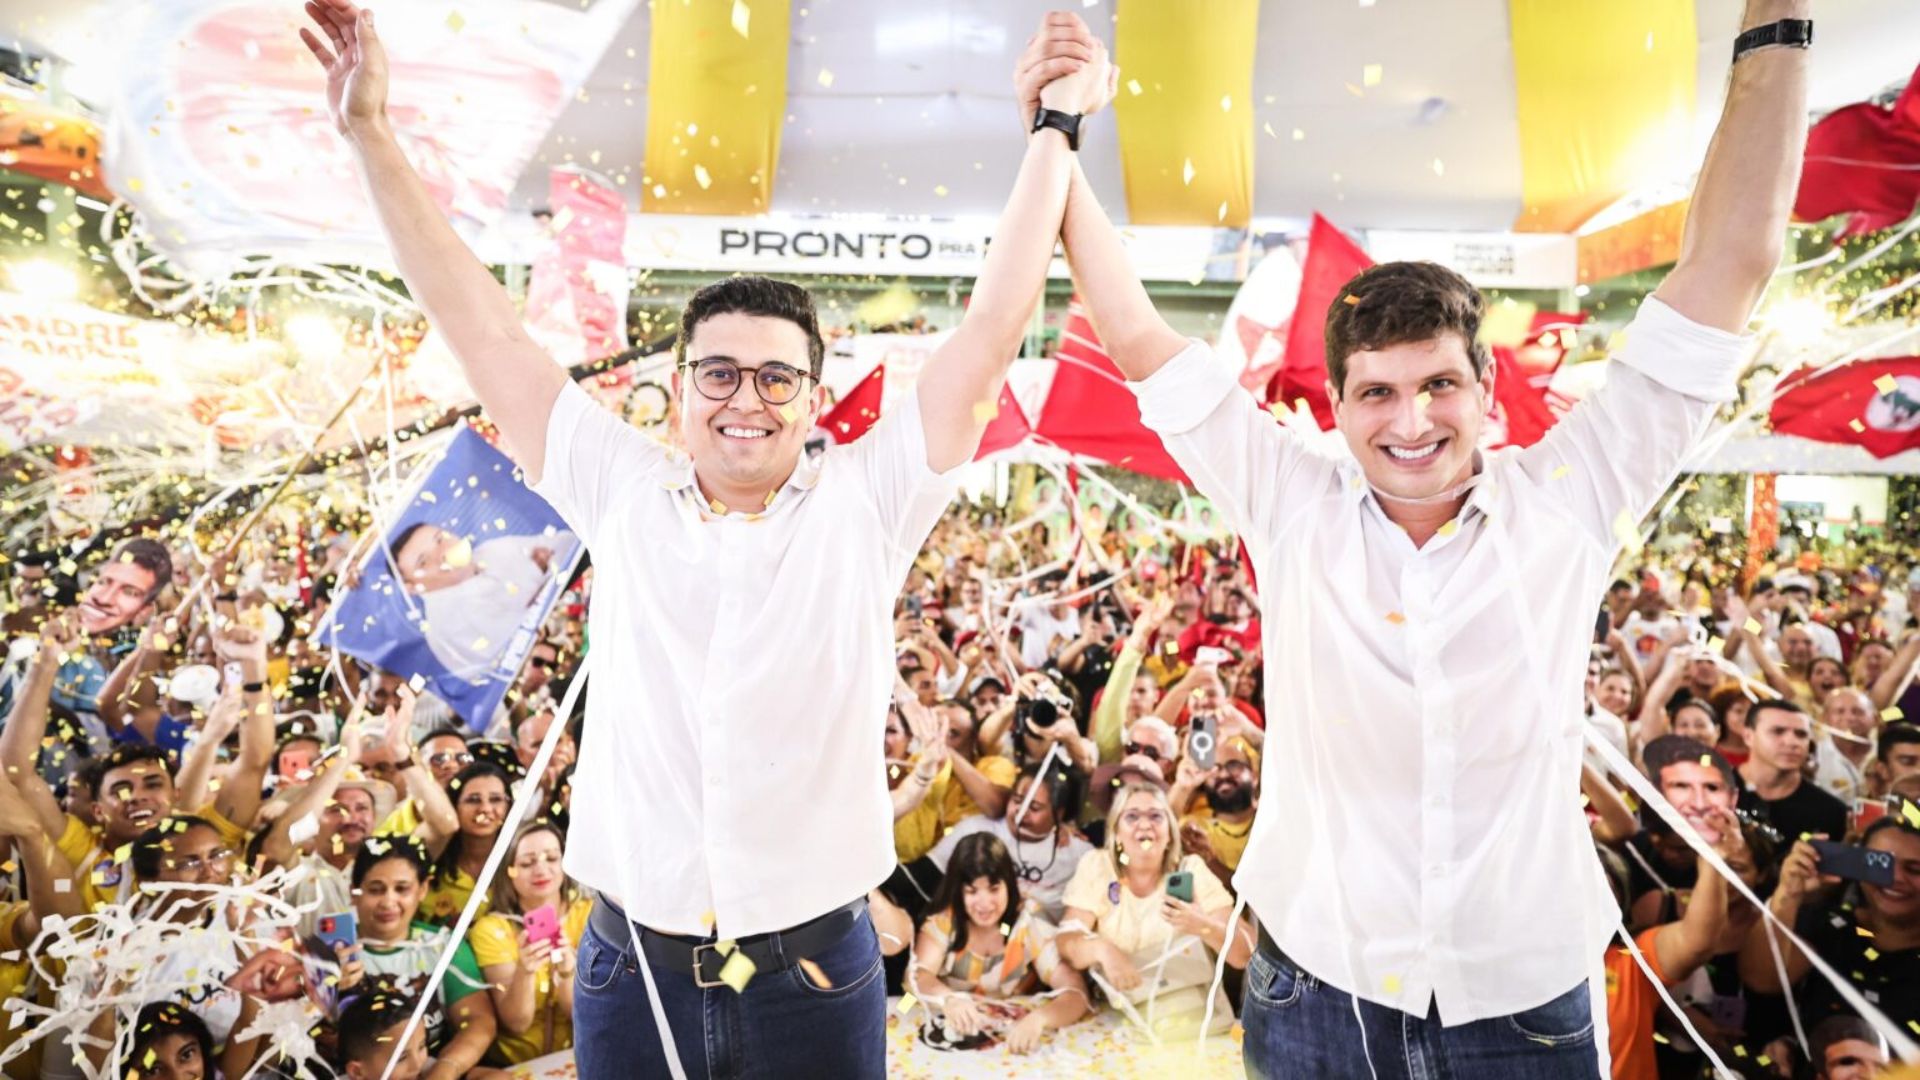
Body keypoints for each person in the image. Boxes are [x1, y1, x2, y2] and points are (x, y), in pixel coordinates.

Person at [300, 3, 1112, 1073]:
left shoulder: (867, 503)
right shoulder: (620, 488)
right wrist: (370, 134)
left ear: (815, 398)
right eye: (719, 373)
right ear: (677, 393)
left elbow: (994, 324)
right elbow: (481, 325)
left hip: (814, 968)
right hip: (630, 961)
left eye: (777, 376)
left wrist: (1056, 132)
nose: (747, 399)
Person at [1023, 1, 1810, 1072]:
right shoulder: (1288, 501)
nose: (1410, 421)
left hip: (1523, 1001)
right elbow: (1132, 326)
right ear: (1336, 409)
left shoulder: (1571, 494)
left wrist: (1778, 26)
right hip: (1318, 994)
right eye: (1377, 393)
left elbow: (1731, 262)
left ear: (1487, 391)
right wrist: (1058, 128)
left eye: (1440, 383)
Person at [1056, 782, 1251, 1039]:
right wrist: (1102, 950)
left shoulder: (1190, 869)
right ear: (1116, 833)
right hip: (1120, 1023)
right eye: (1132, 816)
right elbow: (1066, 942)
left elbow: (1246, 953)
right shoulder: (1098, 867)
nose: (1145, 824)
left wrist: (1201, 924)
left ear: (1170, 833)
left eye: (1156, 816)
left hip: (1191, 1022)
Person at [907, 833, 1090, 1054]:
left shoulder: (1027, 920)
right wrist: (949, 999)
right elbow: (914, 978)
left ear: (1009, 885)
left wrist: (1039, 1019)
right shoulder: (946, 920)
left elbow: (1076, 993)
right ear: (958, 891)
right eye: (972, 891)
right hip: (939, 1029)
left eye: (994, 889)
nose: (985, 904)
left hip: (1005, 1041)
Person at [349, 835, 497, 1077]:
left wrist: (446, 1069)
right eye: (375, 890)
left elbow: (480, 1021)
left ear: (422, 889)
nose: (388, 901)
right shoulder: (334, 952)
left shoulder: (442, 945)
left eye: (402, 889)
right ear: (354, 892)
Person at [468, 820, 592, 1065]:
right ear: (509, 869)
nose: (541, 870)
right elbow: (517, 1023)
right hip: (515, 1067)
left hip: (577, 1061)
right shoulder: (491, 929)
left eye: (552, 858)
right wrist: (524, 972)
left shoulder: (590, 916)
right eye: (527, 862)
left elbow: (580, 1019)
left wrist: (568, 972)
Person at [389, 522, 578, 682]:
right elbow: (527, 639)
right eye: (423, 562)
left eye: (440, 539)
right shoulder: (450, 621)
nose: (443, 552)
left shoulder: (488, 550)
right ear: (411, 587)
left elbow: (567, 543)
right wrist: (540, 572)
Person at [925, 762, 1093, 922]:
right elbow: (926, 878)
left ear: (1059, 813)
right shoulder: (974, 830)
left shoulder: (1081, 856)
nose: (1021, 812)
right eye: (1017, 800)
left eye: (1034, 807)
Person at [1738, 700, 1848, 843]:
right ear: (1748, 736)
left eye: (1801, 734)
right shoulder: (1711, 789)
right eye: (1778, 731)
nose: (1792, 742)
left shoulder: (1831, 811)